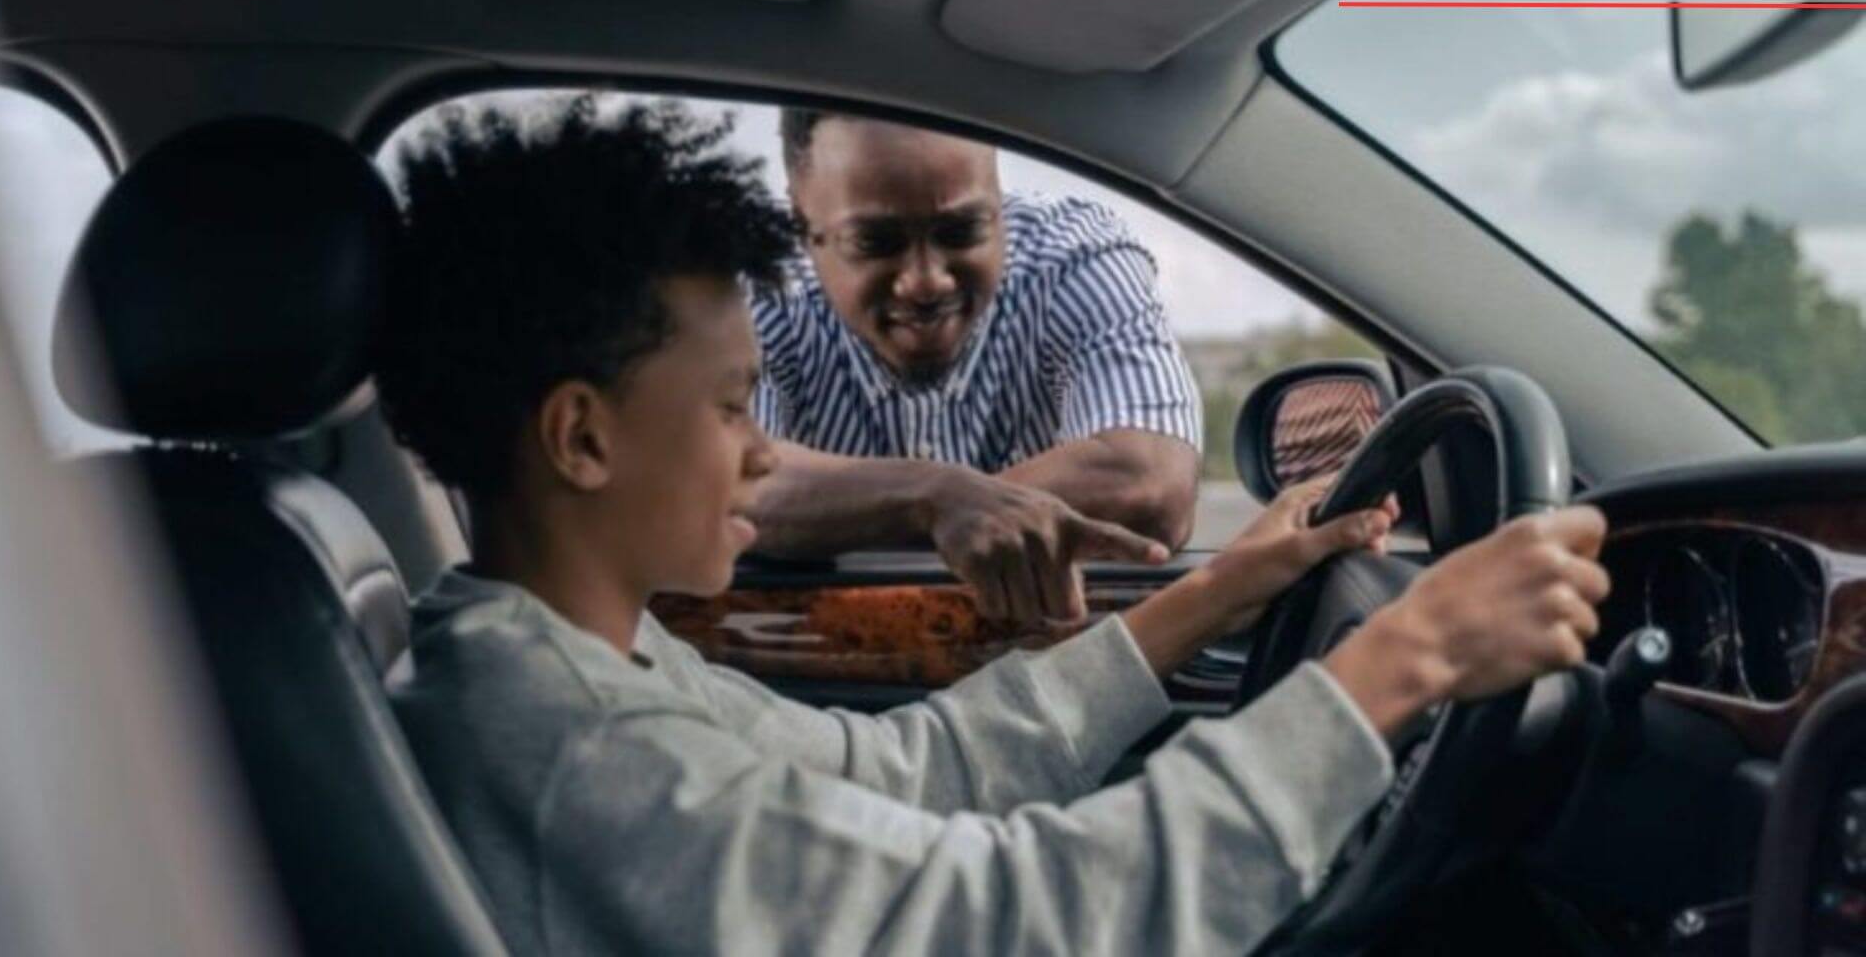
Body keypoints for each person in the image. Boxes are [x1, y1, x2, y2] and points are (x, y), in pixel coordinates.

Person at [377, 98, 1612, 955]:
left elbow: (908, 774)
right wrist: (1407, 659)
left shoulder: (586, 662)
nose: (764, 453)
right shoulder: (571, 740)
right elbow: (1003, 921)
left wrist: (1219, 591)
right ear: (583, 439)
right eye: (730, 408)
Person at [749, 110, 1205, 623]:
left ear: (999, 202)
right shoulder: (746, 273)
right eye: (875, 242)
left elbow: (1147, 483)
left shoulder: (1075, 257)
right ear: (800, 220)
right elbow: (728, 484)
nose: (926, 283)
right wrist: (931, 499)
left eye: (961, 231)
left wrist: (925, 510)